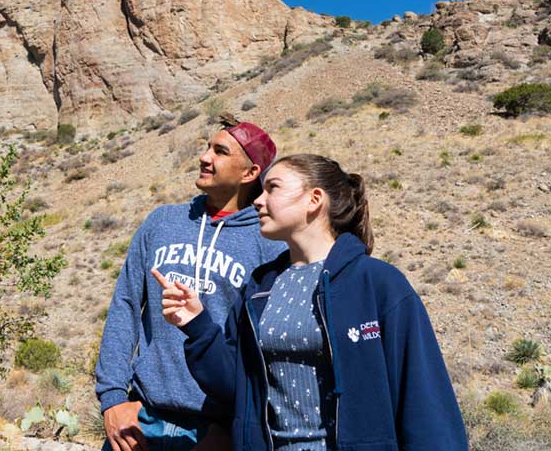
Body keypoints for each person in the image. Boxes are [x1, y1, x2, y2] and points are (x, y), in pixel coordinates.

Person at [154, 154, 468, 451]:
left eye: (272, 188)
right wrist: (197, 324)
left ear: (314, 200)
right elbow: (237, 390)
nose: (258, 201)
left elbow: (424, 400)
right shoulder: (259, 289)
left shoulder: (376, 283)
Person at [95, 119, 287, 451]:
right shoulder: (162, 222)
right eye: (207, 147)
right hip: (140, 420)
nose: (204, 157)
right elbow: (125, 306)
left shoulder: (267, 243)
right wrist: (112, 399)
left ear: (249, 172)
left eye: (220, 151)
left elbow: (268, 348)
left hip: (213, 433)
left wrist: (231, 427)